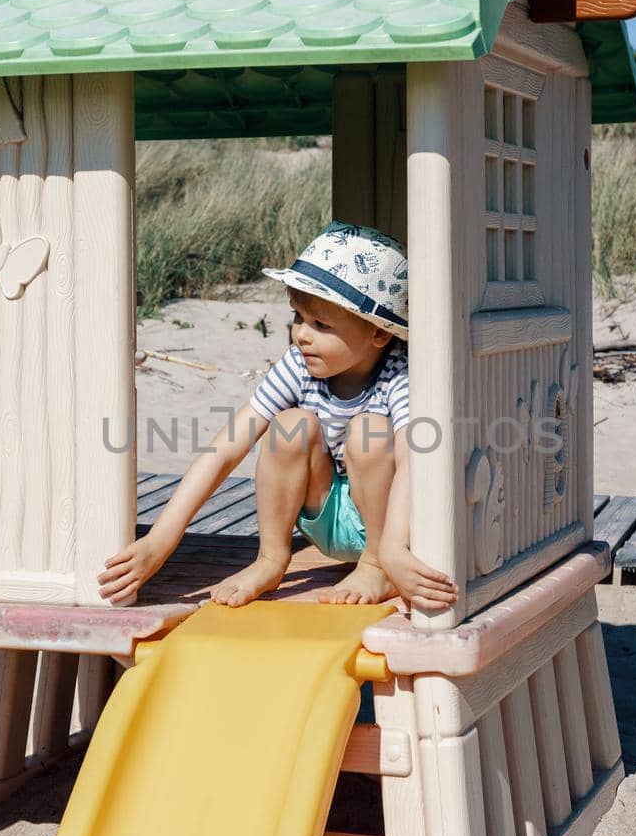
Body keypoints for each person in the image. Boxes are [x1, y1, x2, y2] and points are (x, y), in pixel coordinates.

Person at [99, 220, 457, 612]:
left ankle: (375, 566)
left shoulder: (398, 374)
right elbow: (225, 449)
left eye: (321, 324)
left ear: (379, 334)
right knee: (289, 425)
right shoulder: (299, 365)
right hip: (324, 514)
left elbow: (412, 459)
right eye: (298, 317)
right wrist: (161, 539)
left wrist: (392, 549)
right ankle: (270, 560)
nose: (302, 334)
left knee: (367, 432)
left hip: (389, 521)